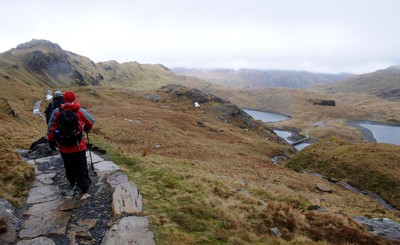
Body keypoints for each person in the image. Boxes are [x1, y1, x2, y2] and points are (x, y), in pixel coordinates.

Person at [47, 91, 95, 200]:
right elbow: (91, 122)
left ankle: (73, 182)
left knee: (68, 165)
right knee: (81, 165)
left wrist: (51, 140)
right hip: (79, 146)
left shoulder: (57, 112)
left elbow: (51, 127)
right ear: (74, 98)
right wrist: (86, 128)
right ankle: (84, 187)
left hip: (64, 147)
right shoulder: (80, 110)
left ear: (64, 99)